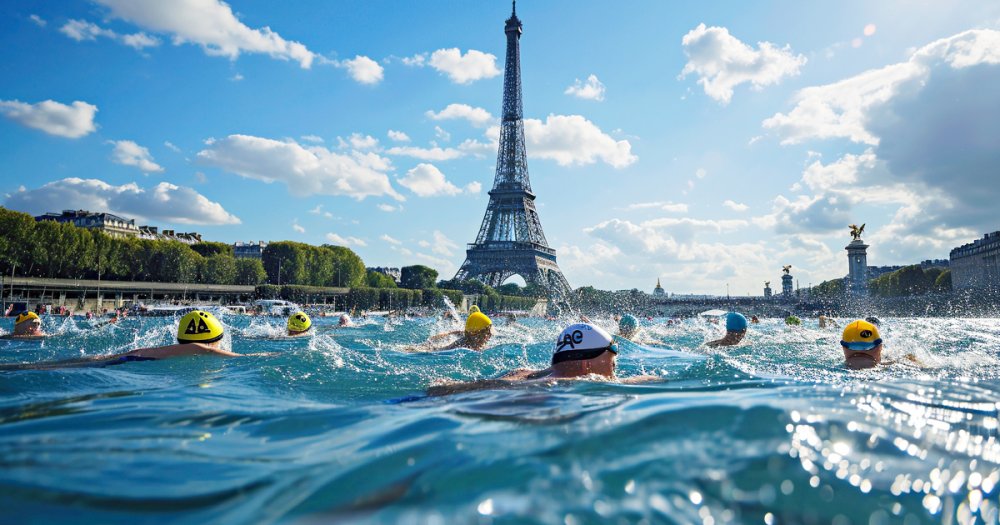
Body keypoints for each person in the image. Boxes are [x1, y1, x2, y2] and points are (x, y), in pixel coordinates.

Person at [427, 322, 658, 396]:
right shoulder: (557, 386)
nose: (616, 362)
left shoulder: (523, 371)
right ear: (588, 364)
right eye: (612, 354)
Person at [0, 310, 259, 370]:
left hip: (124, 357)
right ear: (215, 339)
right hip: (120, 361)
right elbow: (201, 348)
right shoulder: (199, 348)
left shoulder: (176, 347)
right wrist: (252, 358)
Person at [412, 312, 495, 352]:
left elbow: (458, 332)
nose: (489, 336)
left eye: (490, 333)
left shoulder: (470, 339)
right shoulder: (462, 346)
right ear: (474, 333)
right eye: (486, 333)